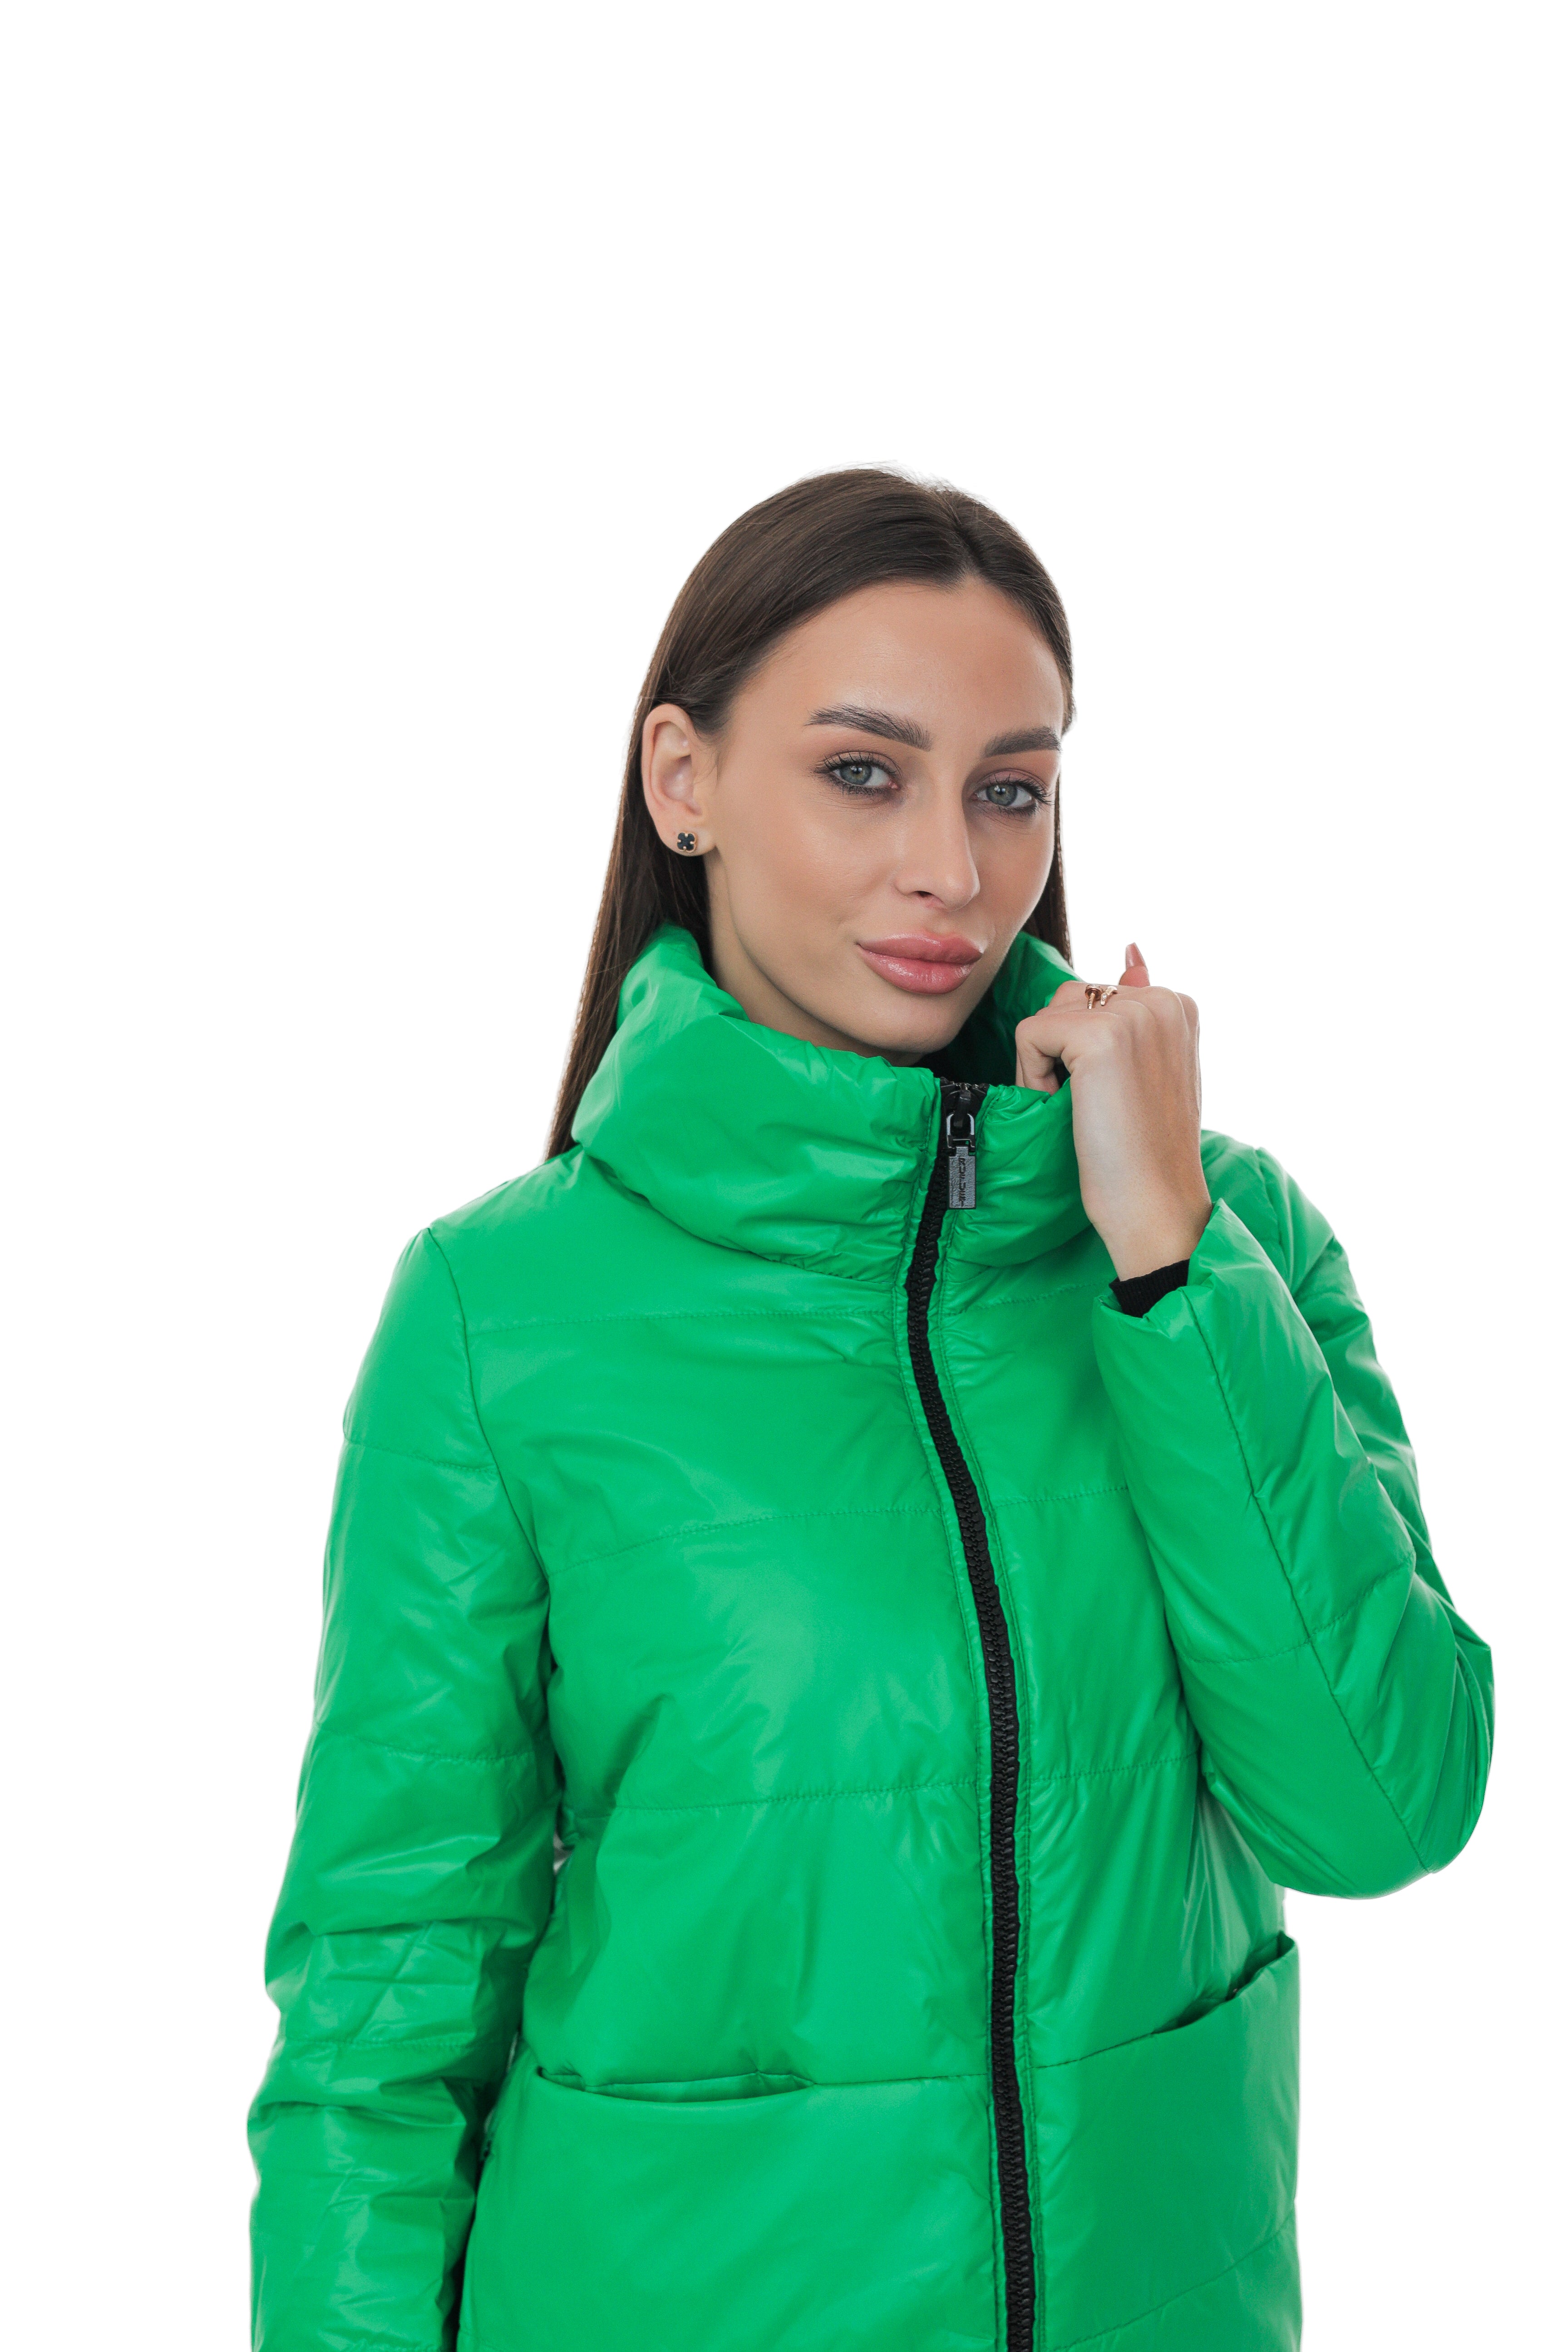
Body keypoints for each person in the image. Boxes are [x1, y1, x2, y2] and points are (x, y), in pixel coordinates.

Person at [248, 469, 1493, 2352]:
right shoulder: (500, 1316)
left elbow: (1382, 1807)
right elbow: (387, 1997)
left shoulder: (1225, 1248)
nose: (954, 874)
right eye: (861, 774)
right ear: (684, 781)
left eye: (1011, 789)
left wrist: (1164, 1261)